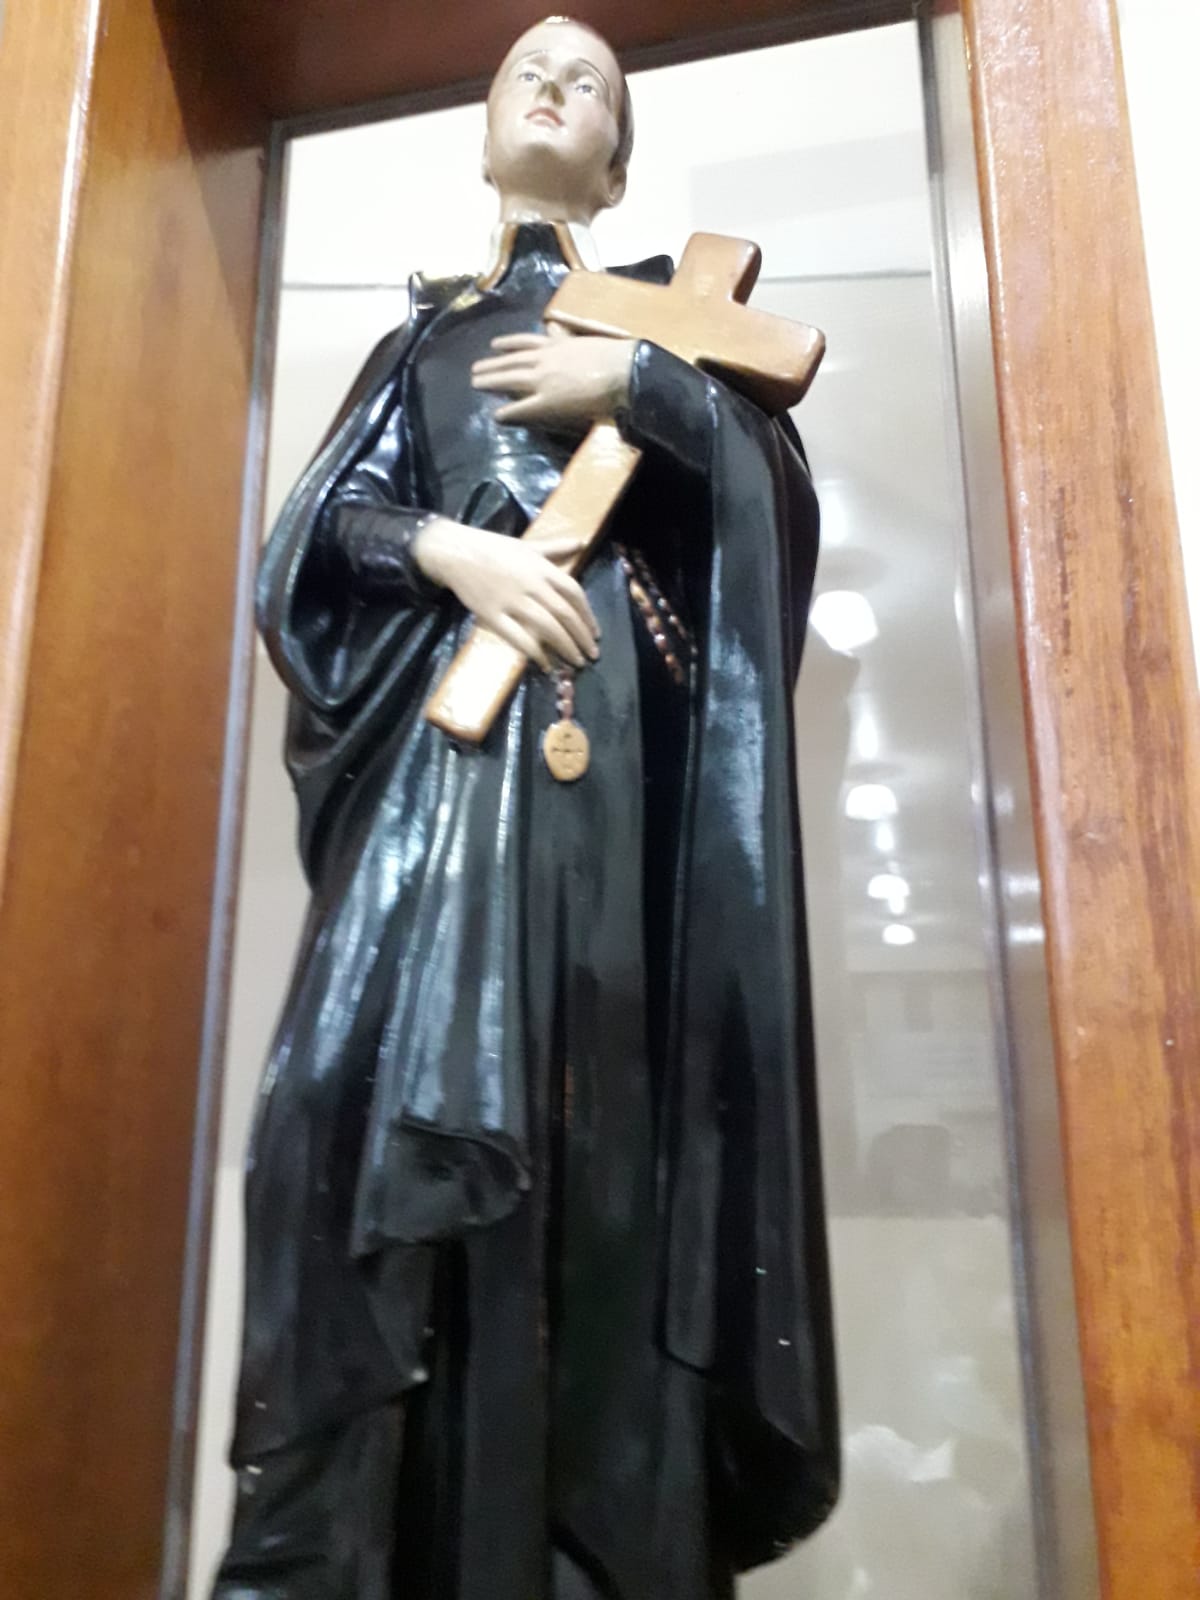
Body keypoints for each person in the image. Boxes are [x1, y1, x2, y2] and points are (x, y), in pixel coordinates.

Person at [212, 17, 838, 1600]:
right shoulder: (421, 342)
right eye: (527, 75)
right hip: (443, 780)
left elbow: (771, 512)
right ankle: (387, 1538)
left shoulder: (676, 329)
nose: (556, 89)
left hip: (613, 793)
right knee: (333, 1110)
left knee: (603, 1125)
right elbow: (316, 539)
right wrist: (455, 551)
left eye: (592, 86)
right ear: (485, 131)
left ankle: (592, 1546)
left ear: (617, 164)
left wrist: (641, 382)